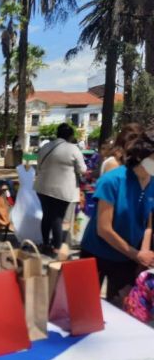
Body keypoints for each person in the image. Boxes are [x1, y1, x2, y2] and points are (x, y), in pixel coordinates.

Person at [81, 128, 154, 303]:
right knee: (85, 309)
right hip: (95, 255)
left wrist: (142, 254)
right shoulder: (112, 180)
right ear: (143, 155)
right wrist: (136, 254)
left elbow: (148, 224)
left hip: (127, 260)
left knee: (123, 312)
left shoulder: (152, 183)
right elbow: (104, 229)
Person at [34, 123, 87, 257]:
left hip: (43, 187)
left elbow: (38, 165)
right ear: (70, 136)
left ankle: (46, 243)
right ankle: (57, 248)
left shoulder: (45, 146)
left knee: (47, 215)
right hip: (62, 189)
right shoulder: (73, 149)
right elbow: (82, 169)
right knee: (58, 217)